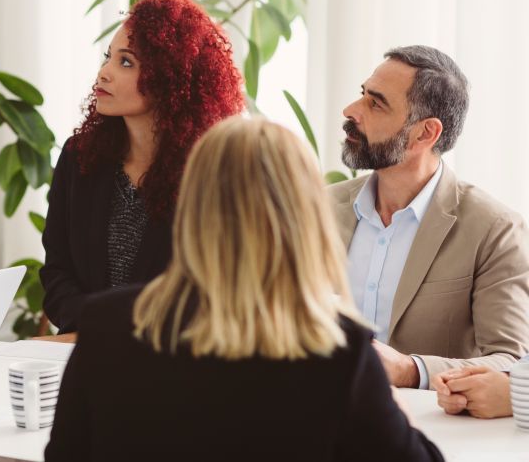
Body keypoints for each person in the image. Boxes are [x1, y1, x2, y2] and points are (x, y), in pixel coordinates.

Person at [45, 118, 444, 461]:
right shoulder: (338, 354)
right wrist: (399, 414)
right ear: (304, 217)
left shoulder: (108, 324)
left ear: (192, 203)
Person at [40, 0, 243, 333]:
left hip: (173, 363)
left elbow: (215, 294)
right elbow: (56, 273)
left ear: (169, 79)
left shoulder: (213, 172)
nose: (103, 73)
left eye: (126, 63)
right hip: (85, 351)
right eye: (108, 58)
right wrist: (99, 327)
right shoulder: (80, 156)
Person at [329, 46, 529, 388]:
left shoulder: (494, 229)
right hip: (314, 425)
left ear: (425, 133)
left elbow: (512, 359)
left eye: (376, 103)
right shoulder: (315, 208)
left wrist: (412, 370)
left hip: (432, 432)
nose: (351, 111)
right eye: (363, 94)